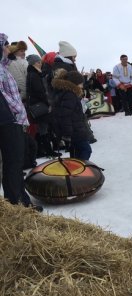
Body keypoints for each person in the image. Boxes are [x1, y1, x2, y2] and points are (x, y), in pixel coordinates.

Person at [0, 33, 42, 211]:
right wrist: (17, 113)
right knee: (13, 163)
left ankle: (17, 203)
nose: (8, 48)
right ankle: (19, 205)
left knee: (14, 163)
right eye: (5, 45)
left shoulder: (3, 67)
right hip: (9, 121)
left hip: (12, 120)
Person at [52, 70, 93, 160]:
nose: (82, 86)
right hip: (74, 131)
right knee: (86, 150)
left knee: (76, 152)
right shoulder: (69, 95)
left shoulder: (68, 93)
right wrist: (68, 133)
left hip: (75, 129)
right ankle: (81, 170)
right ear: (75, 83)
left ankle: (77, 170)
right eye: (81, 83)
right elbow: (64, 115)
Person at [26, 54, 59, 157]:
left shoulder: (33, 73)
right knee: (44, 128)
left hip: (37, 104)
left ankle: (43, 150)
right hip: (40, 105)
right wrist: (48, 103)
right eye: (39, 62)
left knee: (42, 128)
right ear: (35, 63)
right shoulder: (34, 75)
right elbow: (40, 92)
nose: (41, 64)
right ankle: (48, 151)